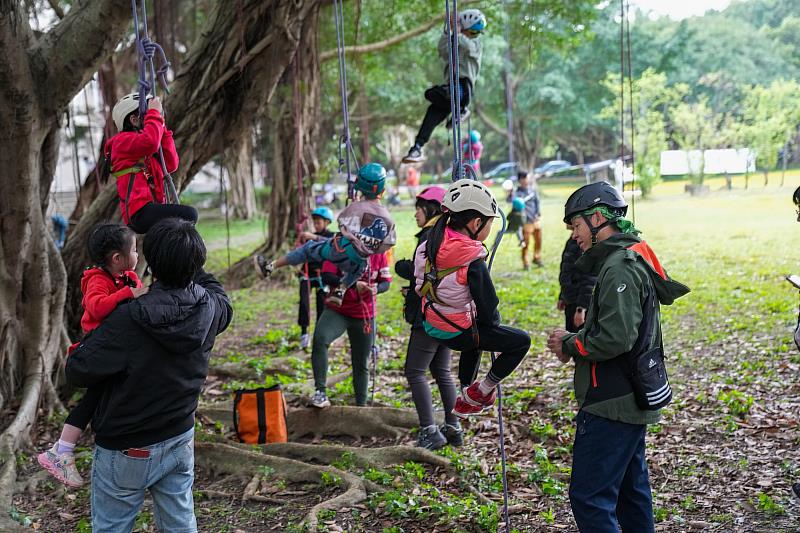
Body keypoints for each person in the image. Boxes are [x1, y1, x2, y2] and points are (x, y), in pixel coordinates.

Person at [65, 218, 231, 532]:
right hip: (179, 436)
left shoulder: (129, 318)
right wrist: (188, 258)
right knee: (181, 524)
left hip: (126, 448)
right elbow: (219, 294)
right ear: (197, 263)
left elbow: (78, 369)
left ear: (150, 263)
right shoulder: (210, 307)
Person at [546, 182, 689, 533]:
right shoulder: (621, 259)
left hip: (612, 399)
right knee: (630, 493)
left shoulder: (620, 266)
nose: (574, 235)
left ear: (597, 219)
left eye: (576, 226)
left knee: (590, 498)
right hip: (625, 395)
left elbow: (615, 338)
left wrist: (569, 343)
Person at [38, 224, 148, 488]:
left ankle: (64, 449)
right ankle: (61, 451)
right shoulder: (98, 279)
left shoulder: (128, 277)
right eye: (134, 250)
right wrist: (127, 293)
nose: (137, 254)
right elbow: (96, 308)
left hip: (117, 349)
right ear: (117, 259)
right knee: (94, 398)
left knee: (101, 397)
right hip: (99, 349)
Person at [414, 179, 531, 418]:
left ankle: (465, 390)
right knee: (520, 341)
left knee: (476, 328)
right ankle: (482, 391)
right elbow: (489, 308)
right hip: (457, 332)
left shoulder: (428, 244)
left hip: (431, 322)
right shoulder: (473, 260)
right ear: (477, 223)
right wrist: (494, 324)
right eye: (489, 223)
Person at [254, 163, 396, 306]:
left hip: (341, 251)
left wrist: (355, 206)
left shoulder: (356, 208)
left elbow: (343, 224)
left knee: (308, 249)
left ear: (359, 188)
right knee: (356, 271)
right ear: (382, 191)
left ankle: (269, 267)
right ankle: (340, 290)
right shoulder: (388, 219)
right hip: (360, 262)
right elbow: (388, 242)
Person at [395, 186, 462, 449]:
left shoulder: (430, 236)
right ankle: (453, 427)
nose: (415, 214)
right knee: (441, 371)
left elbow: (420, 274)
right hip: (447, 312)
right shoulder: (448, 233)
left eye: (418, 208)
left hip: (429, 315)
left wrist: (403, 269)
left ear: (431, 209)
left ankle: (429, 430)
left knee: (414, 370)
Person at [309, 251, 392, 408]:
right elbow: (327, 276)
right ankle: (320, 392)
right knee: (320, 339)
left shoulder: (379, 253)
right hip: (338, 309)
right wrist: (354, 284)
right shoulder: (341, 247)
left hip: (365, 314)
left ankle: (361, 405)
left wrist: (376, 288)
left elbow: (386, 282)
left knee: (361, 362)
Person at [402, 10, 486, 164]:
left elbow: (469, 47)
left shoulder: (476, 43)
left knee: (449, 93)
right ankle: (417, 148)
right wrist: (449, 31)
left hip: (463, 89)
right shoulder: (456, 42)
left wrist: (457, 33)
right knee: (432, 107)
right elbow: (442, 49)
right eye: (471, 31)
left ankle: (461, 109)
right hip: (450, 89)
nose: (473, 35)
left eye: (476, 32)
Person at [106, 93, 198, 234]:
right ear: (134, 120)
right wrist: (154, 113)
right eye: (147, 115)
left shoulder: (143, 151)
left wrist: (162, 126)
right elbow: (151, 142)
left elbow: (171, 164)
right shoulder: (121, 142)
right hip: (139, 211)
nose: (151, 117)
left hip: (150, 208)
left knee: (171, 234)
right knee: (190, 215)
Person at [297, 207, 335, 350]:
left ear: (327, 222)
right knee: (304, 302)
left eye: (319, 221)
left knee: (322, 305)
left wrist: (313, 237)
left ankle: (320, 335)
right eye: (315, 221)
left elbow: (331, 243)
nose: (316, 224)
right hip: (307, 273)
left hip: (323, 275)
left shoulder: (331, 236)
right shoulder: (309, 236)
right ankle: (304, 333)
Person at [557, 228, 597, 333]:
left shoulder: (587, 243)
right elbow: (567, 270)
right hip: (570, 300)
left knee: (578, 340)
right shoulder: (573, 240)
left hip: (580, 303)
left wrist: (581, 308)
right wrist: (563, 296)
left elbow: (589, 279)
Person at [514, 170, 542, 269]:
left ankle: (537, 257)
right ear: (521, 180)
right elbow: (516, 206)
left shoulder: (533, 190)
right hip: (526, 221)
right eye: (526, 178)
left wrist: (538, 214)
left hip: (535, 219)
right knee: (526, 243)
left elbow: (537, 202)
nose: (527, 180)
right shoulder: (517, 193)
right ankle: (525, 262)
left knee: (538, 240)